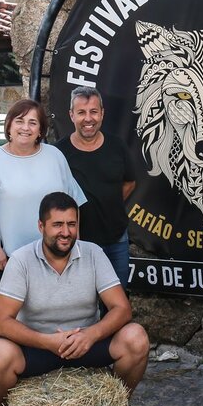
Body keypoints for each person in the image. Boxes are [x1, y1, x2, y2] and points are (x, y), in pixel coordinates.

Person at [0, 192, 150, 406]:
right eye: (57, 224)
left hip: (86, 344)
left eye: (72, 224)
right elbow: (0, 323)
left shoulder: (93, 253)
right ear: (41, 226)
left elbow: (121, 308)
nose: (66, 232)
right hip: (39, 347)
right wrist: (47, 341)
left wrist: (91, 335)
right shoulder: (22, 260)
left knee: (136, 338)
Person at [0, 98, 86, 285]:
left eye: (32, 122)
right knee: (16, 314)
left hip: (57, 256)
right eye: (19, 121)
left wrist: (76, 244)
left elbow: (72, 203)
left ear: (40, 130)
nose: (25, 127)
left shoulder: (55, 156)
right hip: (12, 259)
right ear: (9, 126)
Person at [55, 87, 136, 294]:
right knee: (84, 304)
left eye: (93, 111)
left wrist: (109, 203)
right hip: (78, 245)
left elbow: (130, 182)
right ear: (71, 115)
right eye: (81, 112)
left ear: (102, 113)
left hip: (116, 240)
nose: (88, 118)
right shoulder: (59, 153)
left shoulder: (117, 146)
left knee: (117, 302)